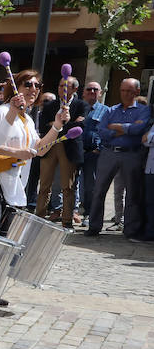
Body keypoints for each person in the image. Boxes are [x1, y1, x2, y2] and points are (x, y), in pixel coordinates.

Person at [0, 69, 69, 234]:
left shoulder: (28, 119)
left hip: (12, 186)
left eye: (38, 85)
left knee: (4, 238)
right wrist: (17, 153)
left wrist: (57, 126)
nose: (34, 89)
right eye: (28, 84)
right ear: (15, 87)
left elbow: (39, 150)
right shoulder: (1, 112)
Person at [87, 78, 151, 238]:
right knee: (99, 190)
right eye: (123, 90)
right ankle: (94, 226)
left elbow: (139, 128)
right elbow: (102, 130)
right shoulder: (111, 110)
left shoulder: (143, 110)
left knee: (132, 192)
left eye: (129, 91)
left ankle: (130, 229)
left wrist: (116, 127)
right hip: (109, 153)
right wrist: (126, 129)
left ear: (137, 92)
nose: (125, 94)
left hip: (131, 153)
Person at [35, 76, 86, 227]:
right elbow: (44, 126)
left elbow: (81, 127)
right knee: (44, 185)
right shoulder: (50, 105)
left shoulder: (81, 105)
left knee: (67, 186)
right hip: (49, 147)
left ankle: (67, 220)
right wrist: (67, 123)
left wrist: (60, 123)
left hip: (68, 148)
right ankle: (39, 217)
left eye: (66, 86)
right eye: (59, 85)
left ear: (75, 89)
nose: (61, 89)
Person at [78, 81, 110, 226]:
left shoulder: (106, 111)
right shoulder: (77, 108)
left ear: (100, 93)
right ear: (83, 92)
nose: (92, 91)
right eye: (89, 89)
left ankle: (88, 213)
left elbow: (109, 133)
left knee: (91, 186)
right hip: (76, 152)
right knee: (72, 185)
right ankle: (72, 212)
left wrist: (100, 148)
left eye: (95, 89)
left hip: (93, 154)